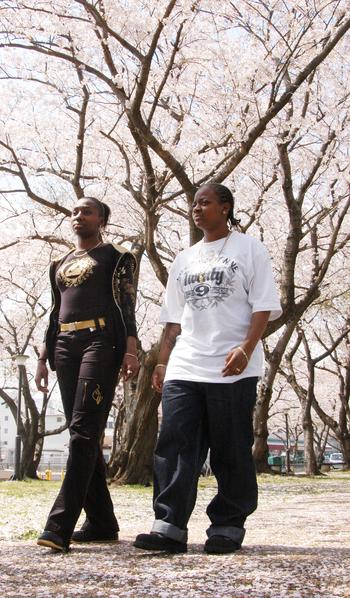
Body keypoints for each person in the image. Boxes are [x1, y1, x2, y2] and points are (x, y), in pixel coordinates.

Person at [134, 183, 281, 554]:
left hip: (232, 365)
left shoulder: (250, 248)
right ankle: (168, 525)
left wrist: (246, 349)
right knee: (176, 443)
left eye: (206, 202)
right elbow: (173, 318)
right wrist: (163, 360)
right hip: (186, 362)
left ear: (226, 208)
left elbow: (263, 304)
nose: (197, 209)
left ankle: (228, 525)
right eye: (194, 204)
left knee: (230, 447)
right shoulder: (185, 259)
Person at [35, 196, 139, 552]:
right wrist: (42, 355)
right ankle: (102, 522)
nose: (79, 216)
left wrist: (131, 348)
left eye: (87, 211)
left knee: (83, 428)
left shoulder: (118, 257)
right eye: (75, 211)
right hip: (64, 345)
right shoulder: (58, 263)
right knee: (84, 430)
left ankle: (58, 526)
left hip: (101, 342)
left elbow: (127, 303)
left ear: (102, 219)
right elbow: (54, 311)